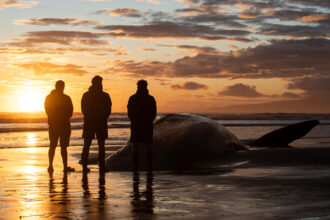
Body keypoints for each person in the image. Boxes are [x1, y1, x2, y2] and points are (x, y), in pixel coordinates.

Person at [81, 75, 112, 172]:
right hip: (96, 122)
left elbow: (108, 110)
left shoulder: (103, 95)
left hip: (94, 122)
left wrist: (98, 117)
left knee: (94, 145)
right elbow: (84, 109)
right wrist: (100, 117)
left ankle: (99, 166)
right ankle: (94, 166)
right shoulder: (102, 95)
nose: (100, 84)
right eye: (99, 82)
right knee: (91, 145)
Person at [44, 80, 75, 173]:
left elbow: (47, 111)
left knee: (53, 146)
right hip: (63, 125)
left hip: (55, 125)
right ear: (61, 87)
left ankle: (51, 166)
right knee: (61, 147)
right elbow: (70, 111)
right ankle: (62, 167)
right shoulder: (66, 98)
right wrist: (63, 118)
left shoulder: (49, 98)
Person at [127, 79, 157, 171]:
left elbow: (130, 113)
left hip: (137, 125)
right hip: (146, 125)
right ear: (146, 86)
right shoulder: (150, 98)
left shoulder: (133, 98)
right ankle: (148, 166)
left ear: (138, 86)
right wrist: (148, 121)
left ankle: (136, 166)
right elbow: (153, 113)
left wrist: (134, 121)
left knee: (136, 146)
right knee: (148, 146)